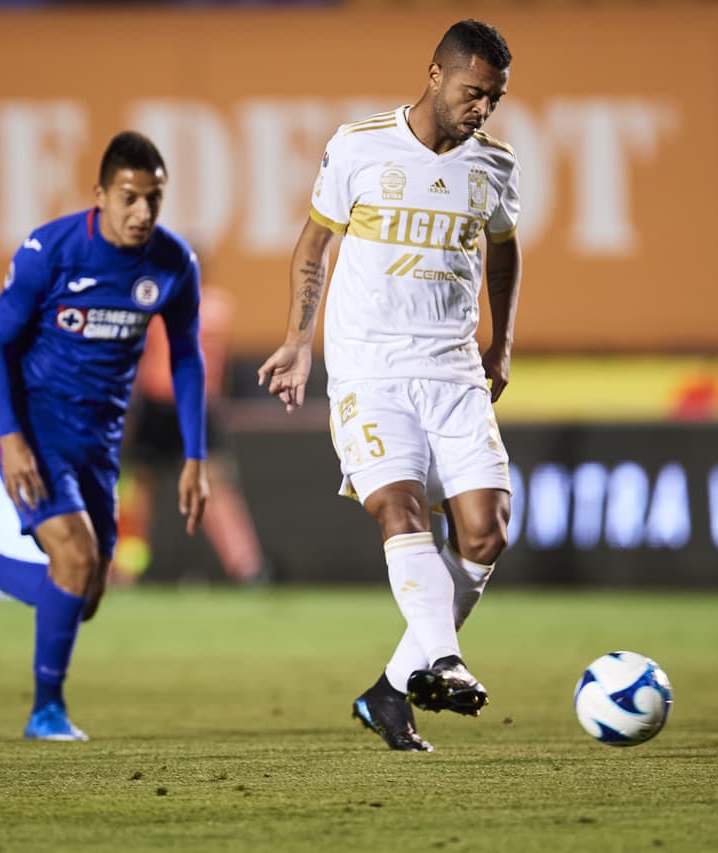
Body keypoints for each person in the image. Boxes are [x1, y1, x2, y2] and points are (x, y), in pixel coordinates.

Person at [258, 19, 521, 752]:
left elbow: (505, 255)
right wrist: (297, 343)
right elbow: (312, 251)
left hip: (454, 372)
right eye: (474, 93)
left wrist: (499, 344)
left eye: (494, 99)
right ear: (435, 76)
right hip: (370, 370)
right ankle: (441, 660)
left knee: (487, 528)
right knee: (400, 506)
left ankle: (388, 691)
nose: (482, 110)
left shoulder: (496, 166)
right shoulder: (359, 146)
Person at [0, 130, 209, 741]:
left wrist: (195, 454)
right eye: (129, 197)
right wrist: (10, 436)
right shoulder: (49, 251)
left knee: (87, 592)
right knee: (73, 562)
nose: (142, 212)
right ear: (99, 194)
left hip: (100, 443)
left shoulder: (174, 263)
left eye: (154, 199)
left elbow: (186, 358)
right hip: (35, 427)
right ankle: (44, 711)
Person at [115, 284, 266, 585]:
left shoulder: (153, 302)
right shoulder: (218, 306)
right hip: (198, 405)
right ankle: (247, 566)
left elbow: (137, 357)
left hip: (160, 402)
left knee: (141, 491)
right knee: (215, 488)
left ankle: (124, 569)